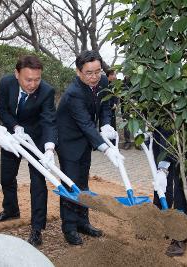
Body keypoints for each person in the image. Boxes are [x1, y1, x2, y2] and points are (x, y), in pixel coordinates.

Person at [56, 50, 123, 245]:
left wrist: (106, 124)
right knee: (71, 185)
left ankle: (83, 222)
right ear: (78, 72)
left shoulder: (102, 82)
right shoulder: (73, 93)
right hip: (68, 142)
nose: (94, 77)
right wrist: (106, 148)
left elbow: (105, 105)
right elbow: (85, 123)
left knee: (83, 182)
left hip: (85, 140)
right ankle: (69, 227)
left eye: (97, 72)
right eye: (89, 73)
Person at [0, 55, 57, 247]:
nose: (33, 84)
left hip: (35, 139)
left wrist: (49, 148)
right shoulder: (6, 83)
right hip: (13, 136)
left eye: (37, 79)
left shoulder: (46, 91)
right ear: (17, 74)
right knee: (6, 177)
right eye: (28, 79)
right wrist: (15, 127)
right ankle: (11, 209)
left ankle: (37, 228)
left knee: (38, 182)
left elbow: (48, 121)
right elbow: (2, 110)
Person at [151, 128, 187, 257]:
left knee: (182, 182)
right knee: (161, 181)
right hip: (159, 130)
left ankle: (180, 236)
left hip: (180, 129)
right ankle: (160, 223)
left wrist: (164, 166)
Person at [105, 69, 118, 145]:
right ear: (109, 75)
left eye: (115, 75)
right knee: (106, 126)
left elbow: (116, 95)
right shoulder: (103, 84)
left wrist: (115, 104)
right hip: (105, 110)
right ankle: (107, 144)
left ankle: (114, 144)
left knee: (113, 127)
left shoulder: (114, 85)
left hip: (112, 109)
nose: (115, 77)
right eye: (113, 75)